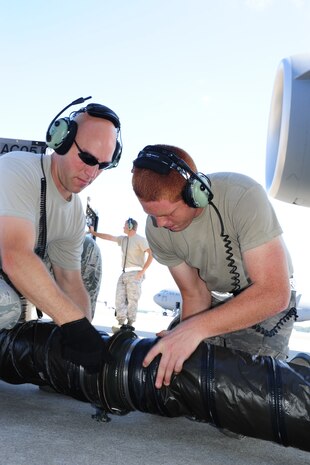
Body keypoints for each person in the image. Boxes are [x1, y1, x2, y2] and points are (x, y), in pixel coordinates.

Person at [131, 144, 297, 389]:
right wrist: (186, 338)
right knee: (177, 379)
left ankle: (299, 371)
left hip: (265, 304)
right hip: (214, 302)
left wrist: (195, 330)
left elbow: (274, 293)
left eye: (168, 214)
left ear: (194, 193)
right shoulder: (156, 228)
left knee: (244, 402)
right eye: (151, 214)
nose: (160, 223)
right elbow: (194, 293)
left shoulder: (243, 195)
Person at [0, 98, 122, 373]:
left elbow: (70, 281)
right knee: (6, 305)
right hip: (7, 278)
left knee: (89, 250)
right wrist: (73, 325)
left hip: (13, 282)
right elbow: (15, 256)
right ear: (61, 141)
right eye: (87, 158)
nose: (92, 173)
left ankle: (66, 365)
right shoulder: (17, 168)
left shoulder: (74, 210)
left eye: (103, 165)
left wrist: (86, 340)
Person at [89, 218, 153, 332]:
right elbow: (109, 237)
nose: (123, 227)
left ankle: (130, 323)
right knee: (119, 299)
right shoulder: (123, 239)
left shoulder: (140, 240)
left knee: (132, 300)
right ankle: (121, 323)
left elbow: (151, 254)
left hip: (135, 273)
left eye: (124, 225)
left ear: (130, 226)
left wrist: (142, 272)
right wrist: (94, 233)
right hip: (124, 273)